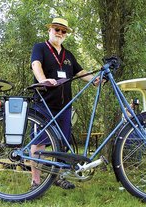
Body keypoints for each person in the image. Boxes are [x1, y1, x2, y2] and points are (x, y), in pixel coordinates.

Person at [30, 17, 100, 190]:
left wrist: (94, 80)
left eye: (63, 31)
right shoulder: (40, 48)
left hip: (65, 106)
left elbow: (81, 72)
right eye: (57, 29)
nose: (60, 33)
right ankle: (35, 182)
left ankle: (58, 177)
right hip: (44, 103)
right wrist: (43, 80)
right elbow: (35, 64)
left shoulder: (68, 55)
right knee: (39, 143)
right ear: (50, 30)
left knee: (62, 142)